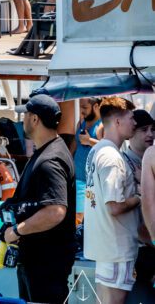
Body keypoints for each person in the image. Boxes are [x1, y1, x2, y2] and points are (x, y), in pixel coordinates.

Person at [0, 94, 76, 304]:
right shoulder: (49, 152)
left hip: (45, 265)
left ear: (35, 119)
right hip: (38, 261)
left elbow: (55, 211)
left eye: (26, 115)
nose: (23, 120)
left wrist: (16, 231)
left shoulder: (50, 160)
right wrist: (13, 241)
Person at [84, 97, 140, 303]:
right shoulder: (113, 157)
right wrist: (139, 197)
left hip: (105, 247)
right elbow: (114, 207)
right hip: (116, 248)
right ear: (117, 122)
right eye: (132, 118)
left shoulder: (96, 151)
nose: (135, 123)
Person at [123, 110, 155, 299]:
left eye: (153, 129)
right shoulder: (123, 165)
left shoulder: (147, 161)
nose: (150, 134)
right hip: (135, 253)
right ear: (131, 132)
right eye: (144, 130)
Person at [73, 97, 103, 180]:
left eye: (85, 107)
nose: (81, 110)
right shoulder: (80, 123)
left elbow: (108, 148)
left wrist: (89, 141)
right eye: (80, 107)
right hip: (76, 178)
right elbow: (75, 146)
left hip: (91, 182)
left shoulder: (101, 126)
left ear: (96, 107)